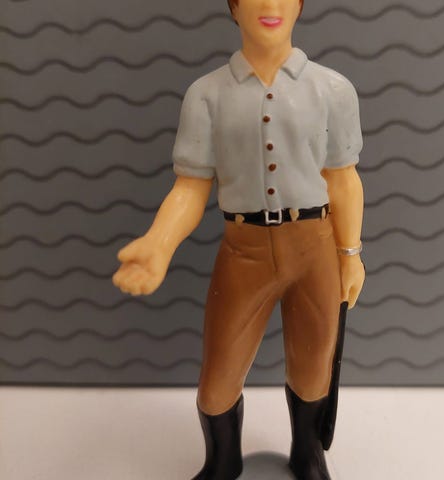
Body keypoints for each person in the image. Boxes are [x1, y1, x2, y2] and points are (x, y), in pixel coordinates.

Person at [112, 0, 365, 478]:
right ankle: (221, 460)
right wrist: (159, 244)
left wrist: (350, 254)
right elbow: (190, 187)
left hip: (315, 247)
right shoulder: (207, 95)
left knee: (314, 365)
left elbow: (343, 179)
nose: (269, 4)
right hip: (244, 250)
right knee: (218, 378)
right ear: (233, 6)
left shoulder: (332, 89)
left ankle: (308, 453)